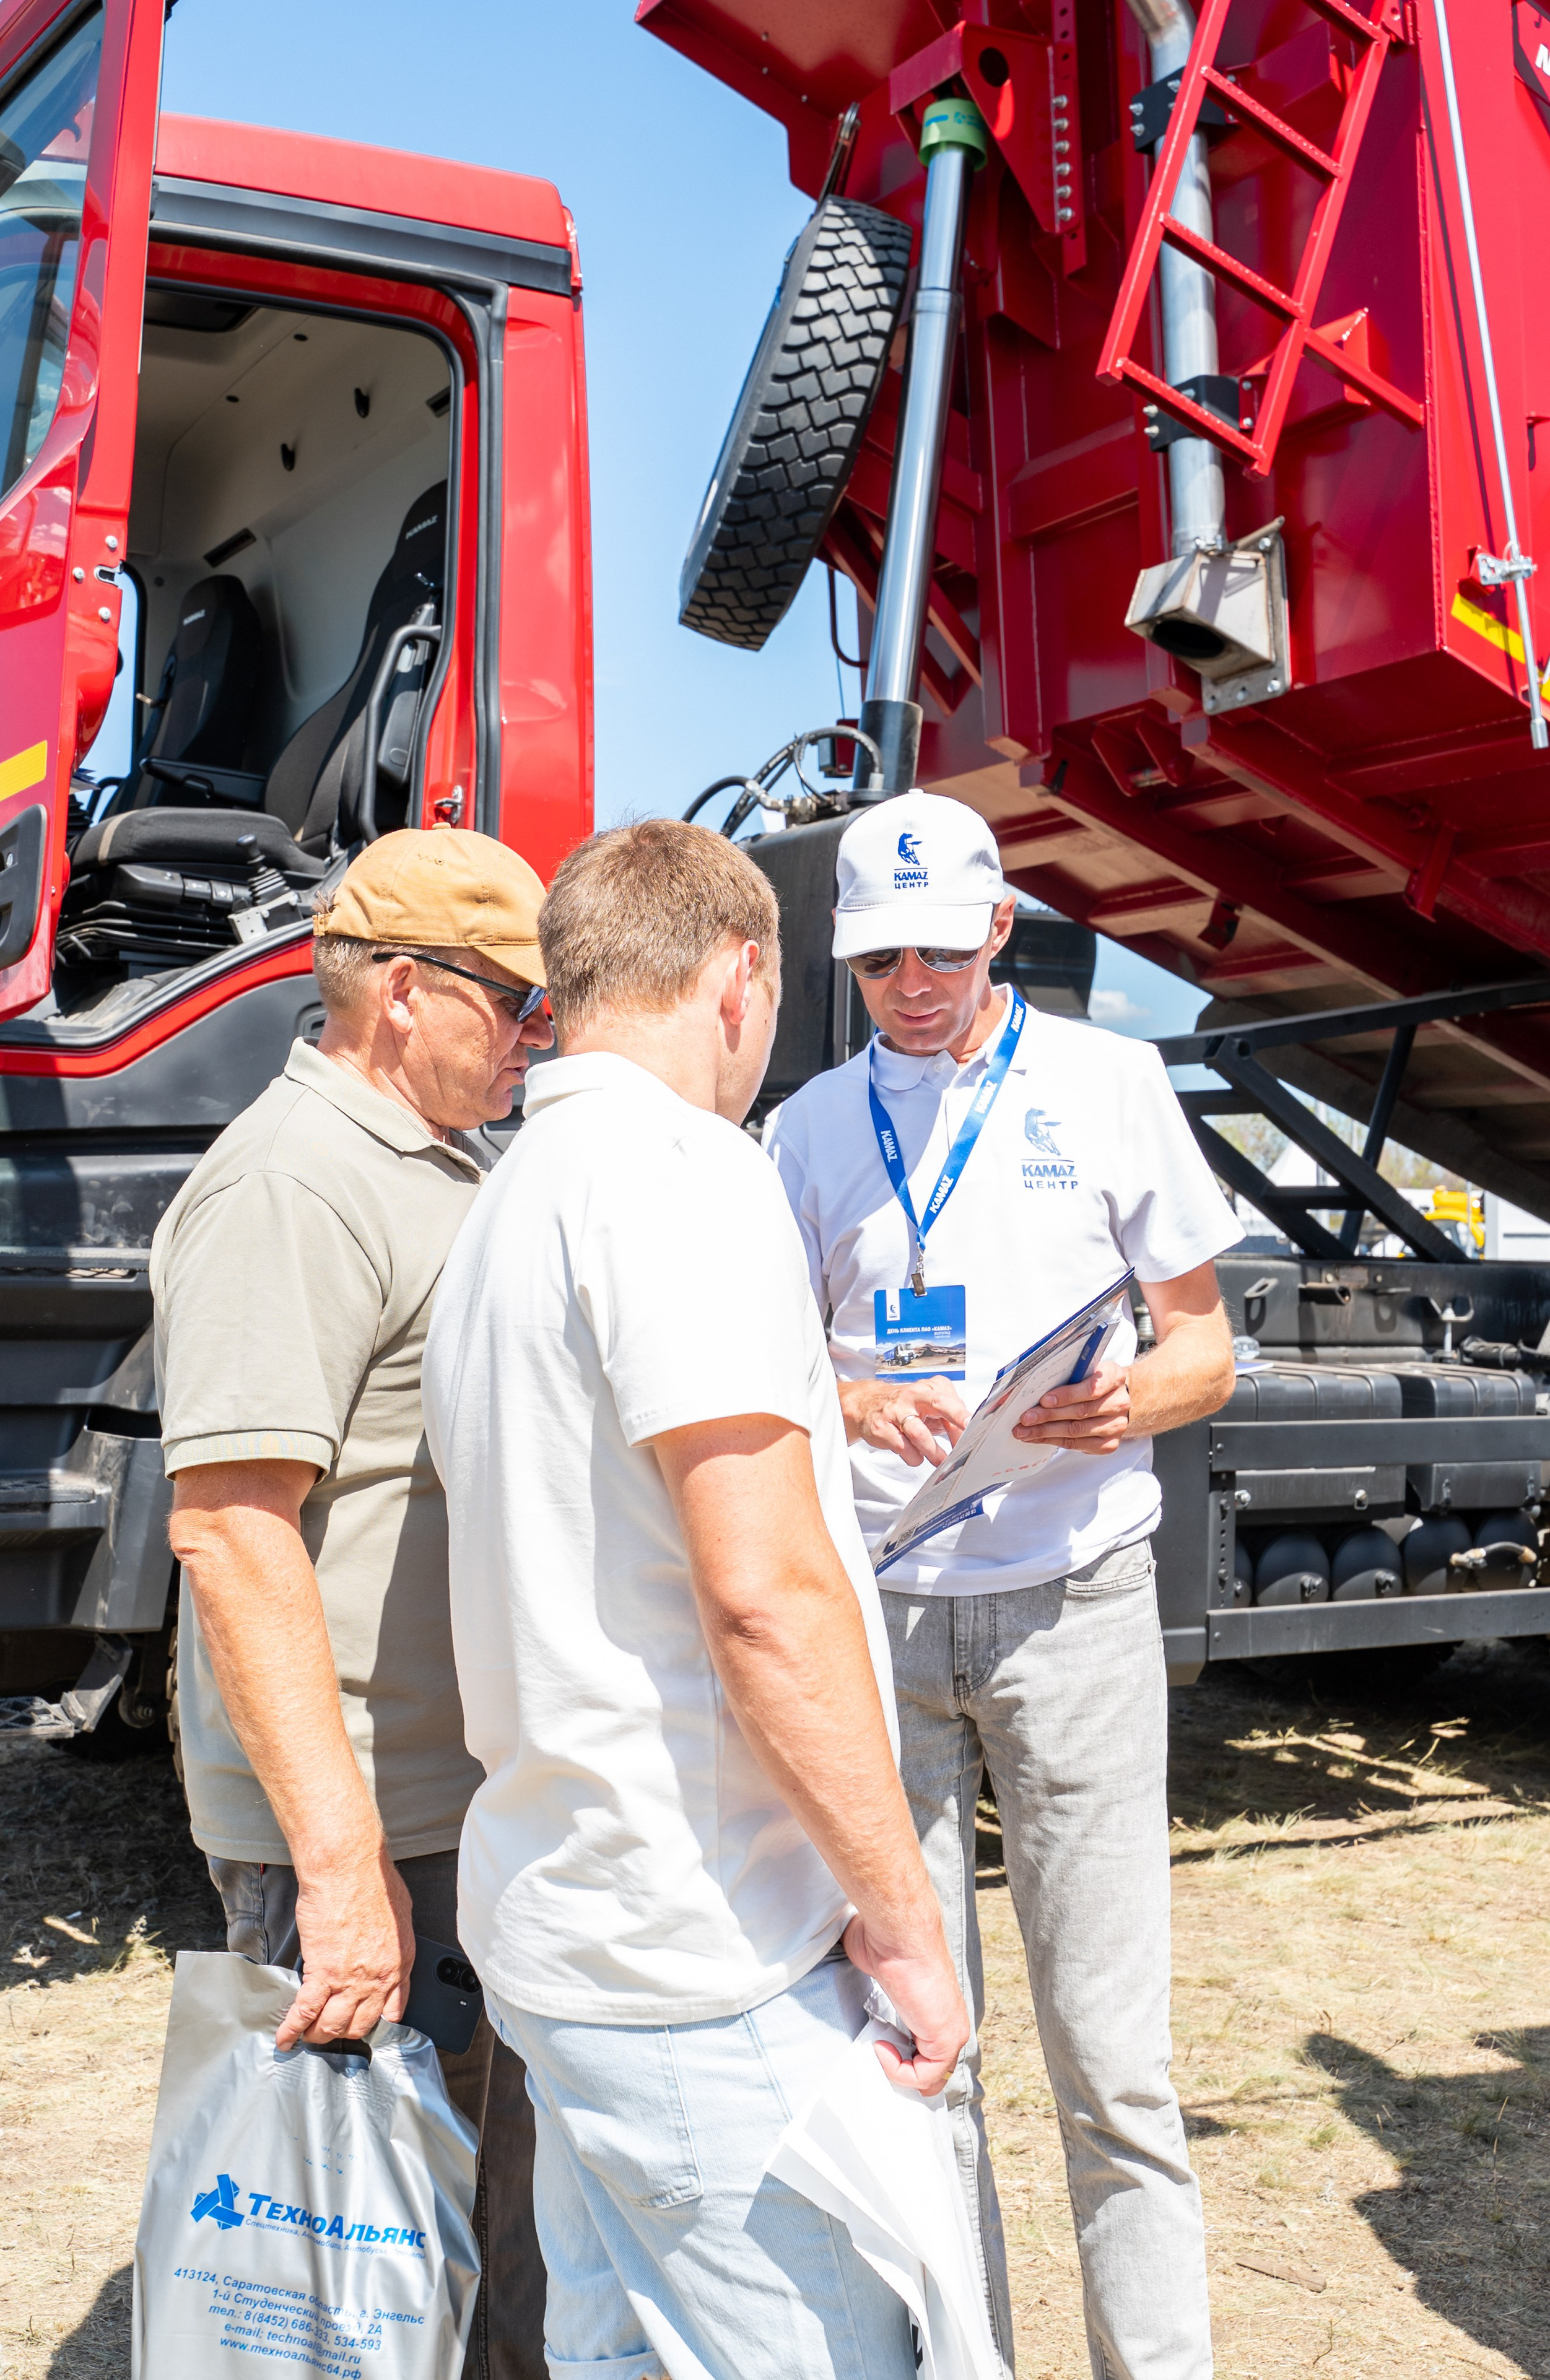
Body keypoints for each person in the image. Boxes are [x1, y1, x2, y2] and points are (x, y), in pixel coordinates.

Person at [422, 819, 969, 2380]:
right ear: (740, 978)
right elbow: (765, 1597)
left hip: (564, 1913)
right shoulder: (683, 1174)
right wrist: (903, 1915)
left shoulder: (508, 1197)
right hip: (699, 1946)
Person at [763, 791, 1242, 2380]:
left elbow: (1203, 1346)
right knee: (918, 2051)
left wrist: (1126, 1401)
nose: (911, 984)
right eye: (877, 957)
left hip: (1074, 1607)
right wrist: (848, 1400)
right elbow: (765, 1363)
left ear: (996, 927)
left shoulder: (1108, 1085)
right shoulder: (807, 1127)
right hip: (880, 1619)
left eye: (937, 949)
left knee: (1114, 2065)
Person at [153, 828, 555, 2380]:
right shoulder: (293, 1181)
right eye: (512, 1000)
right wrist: (338, 1867)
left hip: (451, 1798)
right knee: (356, 2270)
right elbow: (231, 1531)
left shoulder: (431, 1159)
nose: (533, 1033)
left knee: (465, 2248)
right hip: (369, 1818)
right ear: (401, 991)